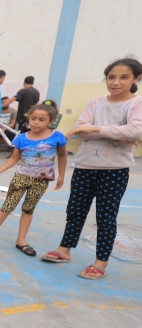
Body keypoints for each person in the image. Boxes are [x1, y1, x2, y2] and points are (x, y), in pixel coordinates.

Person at [42, 58, 142, 280]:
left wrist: (97, 128)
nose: (115, 82)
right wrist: (118, 132)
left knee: (106, 216)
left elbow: (136, 131)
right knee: (75, 210)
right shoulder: (95, 102)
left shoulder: (136, 104)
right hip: (85, 166)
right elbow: (79, 129)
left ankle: (101, 262)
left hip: (114, 169)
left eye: (123, 77)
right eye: (111, 77)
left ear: (137, 78)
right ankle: (64, 250)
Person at [0, 101, 67, 255]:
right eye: (33, 118)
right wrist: (0, 170)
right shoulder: (22, 138)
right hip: (21, 178)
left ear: (51, 121)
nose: (36, 122)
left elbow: (62, 155)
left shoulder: (57, 137)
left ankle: (21, 240)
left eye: (41, 120)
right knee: (8, 205)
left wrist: (62, 175)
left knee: (28, 209)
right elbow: (14, 159)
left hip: (42, 180)